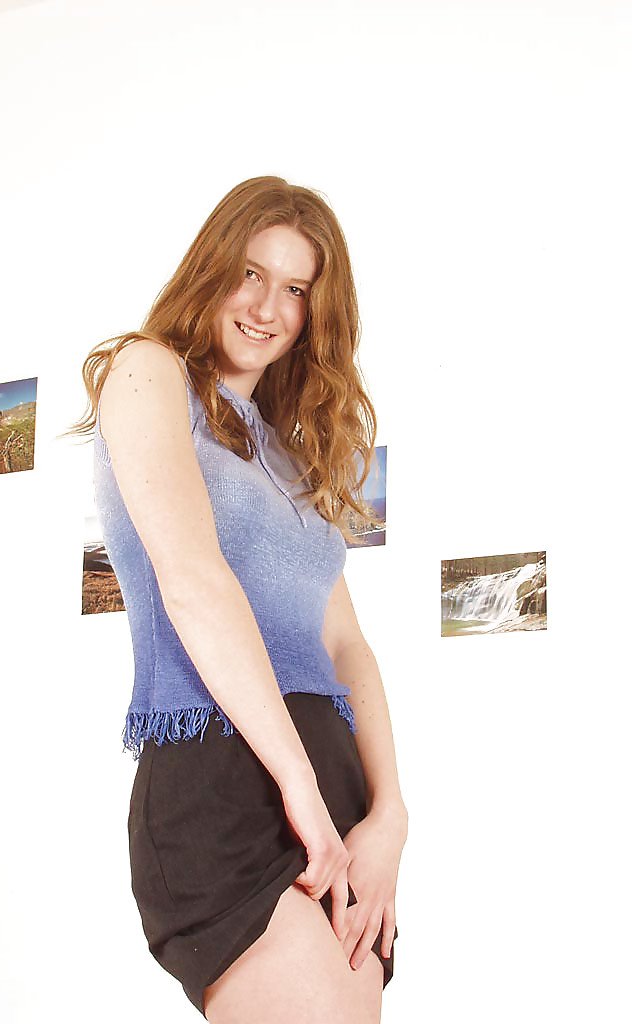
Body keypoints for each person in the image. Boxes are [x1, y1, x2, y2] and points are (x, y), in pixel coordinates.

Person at [69, 176, 408, 1022]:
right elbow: (193, 581)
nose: (266, 307)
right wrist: (300, 791)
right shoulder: (147, 372)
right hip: (223, 777)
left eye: (295, 289)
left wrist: (390, 815)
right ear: (212, 267)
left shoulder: (291, 458)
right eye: (250, 273)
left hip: (331, 784)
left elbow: (346, 648)